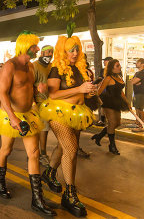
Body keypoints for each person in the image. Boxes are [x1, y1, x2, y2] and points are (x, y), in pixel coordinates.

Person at [0, 32, 56, 216]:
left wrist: (38, 91)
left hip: (29, 115)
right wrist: (13, 118)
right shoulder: (10, 65)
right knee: (6, 150)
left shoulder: (31, 67)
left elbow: (29, 89)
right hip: (10, 115)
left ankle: (37, 200)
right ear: (26, 46)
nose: (38, 49)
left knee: (34, 153)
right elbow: (2, 94)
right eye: (35, 46)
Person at [40, 33, 96, 217]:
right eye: (70, 50)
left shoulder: (81, 68)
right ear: (63, 51)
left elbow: (82, 93)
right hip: (58, 113)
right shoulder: (56, 69)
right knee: (71, 149)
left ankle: (49, 173)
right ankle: (69, 194)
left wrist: (89, 92)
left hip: (77, 113)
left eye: (77, 49)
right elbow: (53, 94)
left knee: (64, 148)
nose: (74, 53)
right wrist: (80, 89)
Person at [92, 59, 129, 155]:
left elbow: (121, 92)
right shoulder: (108, 78)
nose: (120, 67)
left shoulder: (119, 77)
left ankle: (99, 136)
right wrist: (95, 102)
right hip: (108, 102)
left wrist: (127, 102)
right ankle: (112, 146)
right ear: (112, 68)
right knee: (112, 123)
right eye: (117, 65)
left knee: (117, 123)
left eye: (119, 65)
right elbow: (99, 91)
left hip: (118, 102)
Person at [32, 45, 54, 166]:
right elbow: (30, 84)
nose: (49, 54)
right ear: (42, 52)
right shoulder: (35, 65)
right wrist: (33, 101)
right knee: (43, 128)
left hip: (51, 102)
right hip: (39, 102)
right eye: (47, 52)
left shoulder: (52, 66)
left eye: (51, 52)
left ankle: (37, 152)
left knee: (46, 128)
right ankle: (42, 154)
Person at [95, 56, 113, 126]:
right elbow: (100, 78)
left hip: (111, 90)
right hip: (103, 90)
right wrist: (95, 83)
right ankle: (102, 120)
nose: (103, 62)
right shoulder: (103, 70)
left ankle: (111, 121)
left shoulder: (114, 70)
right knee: (103, 105)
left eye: (105, 60)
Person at [131, 58, 144, 128]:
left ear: (142, 64)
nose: (136, 63)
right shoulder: (137, 73)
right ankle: (138, 122)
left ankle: (141, 123)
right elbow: (132, 81)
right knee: (137, 108)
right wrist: (135, 81)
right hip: (136, 92)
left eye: (137, 62)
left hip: (141, 93)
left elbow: (133, 81)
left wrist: (134, 81)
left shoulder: (142, 72)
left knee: (140, 108)